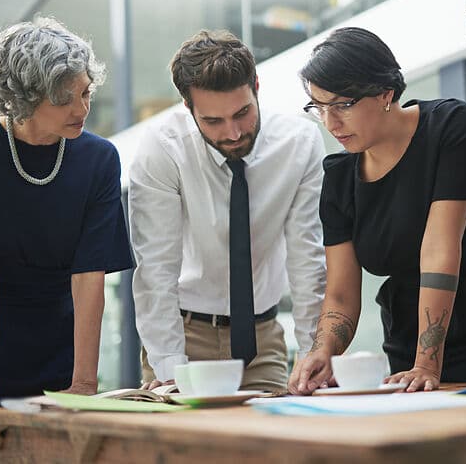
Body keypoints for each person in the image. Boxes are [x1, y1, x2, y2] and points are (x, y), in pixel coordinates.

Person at [288, 27, 466, 394]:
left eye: (342, 105)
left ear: (385, 93)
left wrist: (427, 363)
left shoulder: (450, 127)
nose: (330, 123)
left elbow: (439, 250)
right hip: (405, 347)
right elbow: (340, 294)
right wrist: (323, 351)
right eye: (319, 108)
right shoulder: (339, 179)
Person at [129, 30, 326, 394]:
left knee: (273, 430)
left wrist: (314, 351)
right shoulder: (162, 148)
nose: (233, 133)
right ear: (188, 107)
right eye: (213, 121)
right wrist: (169, 367)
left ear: (256, 86)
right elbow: (156, 268)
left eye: (242, 113)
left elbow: (307, 258)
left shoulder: (299, 143)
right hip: (183, 336)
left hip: (262, 340)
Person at [0, 18, 132, 404]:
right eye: (64, 99)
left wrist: (84, 383)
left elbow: (89, 276)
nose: (82, 108)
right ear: (24, 98)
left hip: (63, 347)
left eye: (85, 92)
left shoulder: (99, 159)